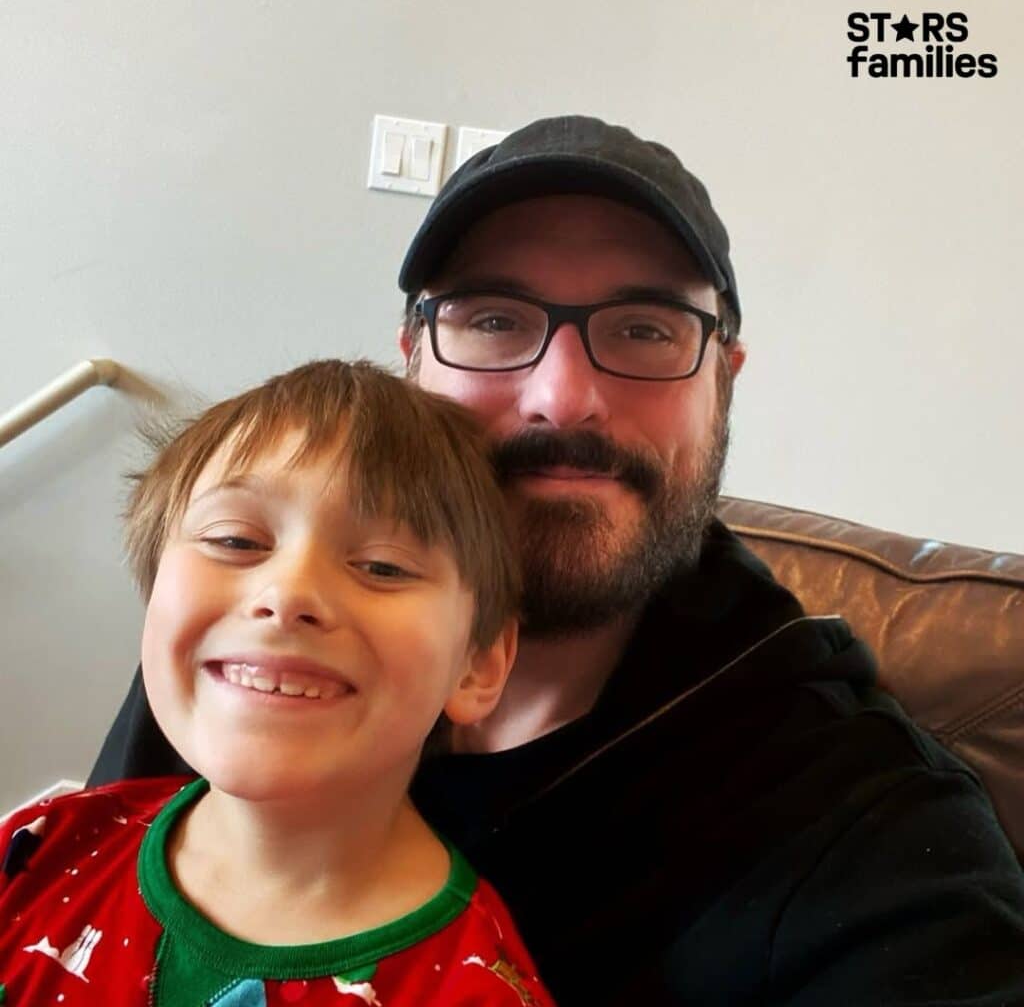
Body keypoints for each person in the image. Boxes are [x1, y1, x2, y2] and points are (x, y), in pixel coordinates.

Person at [89, 117, 1024, 1005]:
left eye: (646, 330)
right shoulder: (259, 637)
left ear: (723, 382)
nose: (563, 398)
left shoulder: (871, 835)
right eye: (494, 320)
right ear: (414, 358)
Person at [0, 361, 556, 1006]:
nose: (289, 594)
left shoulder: (476, 995)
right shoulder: (36, 852)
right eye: (235, 541)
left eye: (382, 566)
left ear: (478, 665)